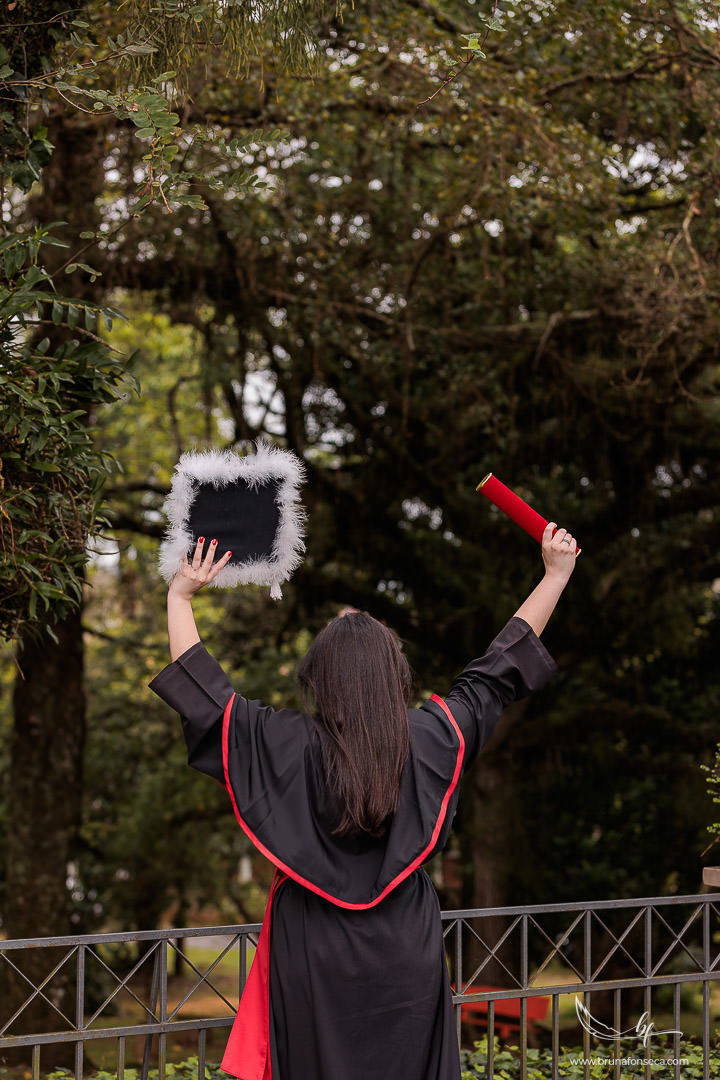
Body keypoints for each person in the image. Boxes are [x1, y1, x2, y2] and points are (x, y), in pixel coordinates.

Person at [148, 522, 578, 1080]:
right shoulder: (434, 736)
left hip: (312, 950)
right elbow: (497, 671)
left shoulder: (281, 741)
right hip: (407, 947)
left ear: (318, 679)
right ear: (393, 675)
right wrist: (555, 575)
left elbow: (206, 700)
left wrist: (179, 595)